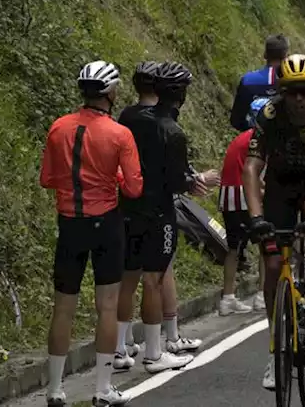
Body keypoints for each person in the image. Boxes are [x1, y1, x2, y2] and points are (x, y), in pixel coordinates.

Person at [40, 61, 143, 407]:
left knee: (63, 308)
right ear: (111, 93)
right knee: (107, 307)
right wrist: (110, 178)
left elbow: (47, 179)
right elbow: (133, 188)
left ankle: (54, 390)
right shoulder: (119, 134)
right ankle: (102, 389)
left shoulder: (58, 128)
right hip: (106, 224)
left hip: (69, 223)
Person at [242, 54, 305, 390]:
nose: (298, 99)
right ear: (281, 92)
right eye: (291, 92)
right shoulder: (269, 115)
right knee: (272, 268)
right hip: (281, 186)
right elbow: (253, 168)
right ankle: (276, 350)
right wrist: (256, 216)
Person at [115, 62, 196, 374]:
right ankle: (153, 352)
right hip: (159, 212)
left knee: (128, 278)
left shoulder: (129, 117)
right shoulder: (173, 132)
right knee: (153, 280)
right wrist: (194, 182)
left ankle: (121, 347)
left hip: (127, 206)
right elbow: (177, 181)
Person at [218, 97, 271, 316]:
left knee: (233, 248)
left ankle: (227, 297)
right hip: (245, 194)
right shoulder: (258, 140)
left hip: (228, 194)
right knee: (266, 245)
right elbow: (257, 174)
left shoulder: (240, 138)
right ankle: (262, 295)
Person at [230, 35, 288, 131]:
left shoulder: (248, 80)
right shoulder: (289, 83)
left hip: (252, 139)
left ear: (265, 54)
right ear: (285, 57)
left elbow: (236, 121)